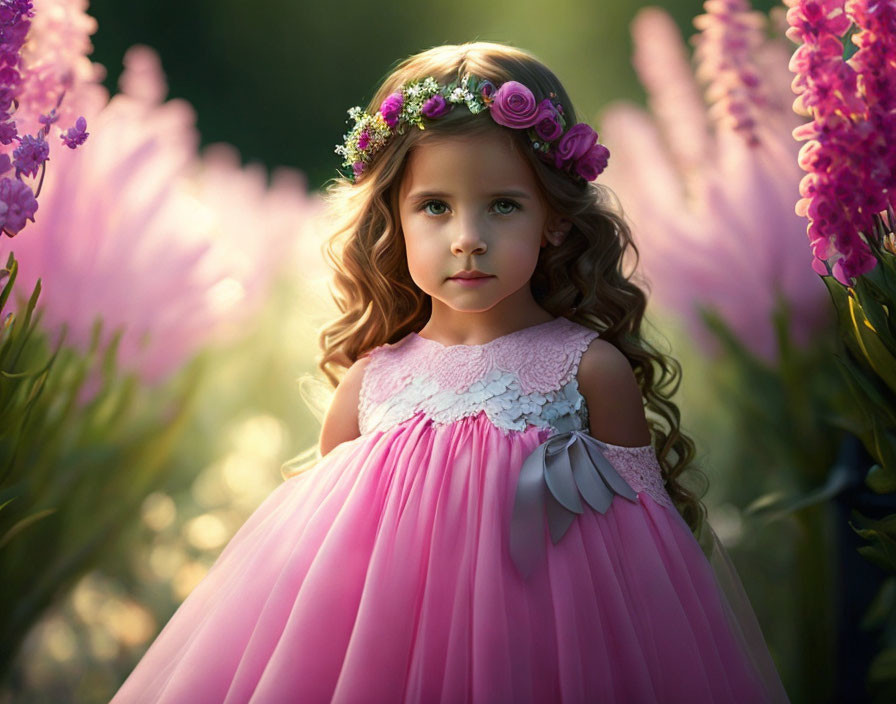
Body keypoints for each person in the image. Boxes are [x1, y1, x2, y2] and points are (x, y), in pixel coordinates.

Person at [110, 41, 791, 703]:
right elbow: (322, 579)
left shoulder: (588, 371)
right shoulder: (370, 384)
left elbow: (644, 561)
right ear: (395, 220)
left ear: (554, 219)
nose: (467, 236)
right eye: (435, 206)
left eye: (503, 204)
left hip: (551, 659)